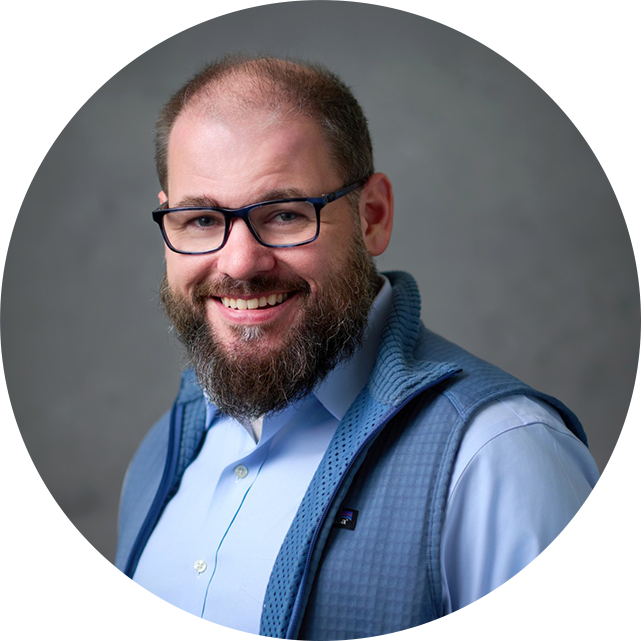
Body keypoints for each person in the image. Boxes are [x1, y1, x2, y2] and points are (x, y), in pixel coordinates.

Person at [115, 55, 599, 640]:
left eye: (285, 214)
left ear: (372, 217)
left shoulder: (500, 458)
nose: (240, 263)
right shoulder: (166, 449)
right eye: (199, 220)